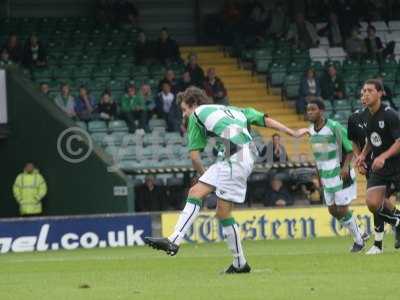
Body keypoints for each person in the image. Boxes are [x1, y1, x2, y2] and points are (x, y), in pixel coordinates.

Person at [144, 86, 307, 273]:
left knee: (219, 210)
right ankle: (232, 261)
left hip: (234, 157)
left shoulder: (196, 114)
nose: (183, 115)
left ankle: (182, 243)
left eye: (183, 110)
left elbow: (195, 157)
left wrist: (204, 176)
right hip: (237, 154)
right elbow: (265, 120)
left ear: (194, 104)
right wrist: (292, 133)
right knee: (199, 195)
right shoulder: (233, 110)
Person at [302, 99, 368, 252]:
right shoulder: (311, 130)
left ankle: (359, 241)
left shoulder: (334, 126)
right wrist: (318, 176)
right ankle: (360, 230)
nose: (310, 112)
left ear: (322, 111)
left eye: (313, 109)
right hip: (326, 176)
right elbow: (318, 155)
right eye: (308, 110)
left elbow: (350, 147)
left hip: (340, 174)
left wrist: (345, 166)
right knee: (332, 210)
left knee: (342, 209)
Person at [355, 79, 400, 251]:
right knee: (372, 203)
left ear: (380, 93)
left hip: (396, 163)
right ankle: (397, 221)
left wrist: (383, 156)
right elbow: (370, 139)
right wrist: (363, 155)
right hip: (380, 166)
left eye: (370, 90)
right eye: (363, 91)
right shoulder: (365, 115)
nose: (365, 94)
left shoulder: (390, 114)